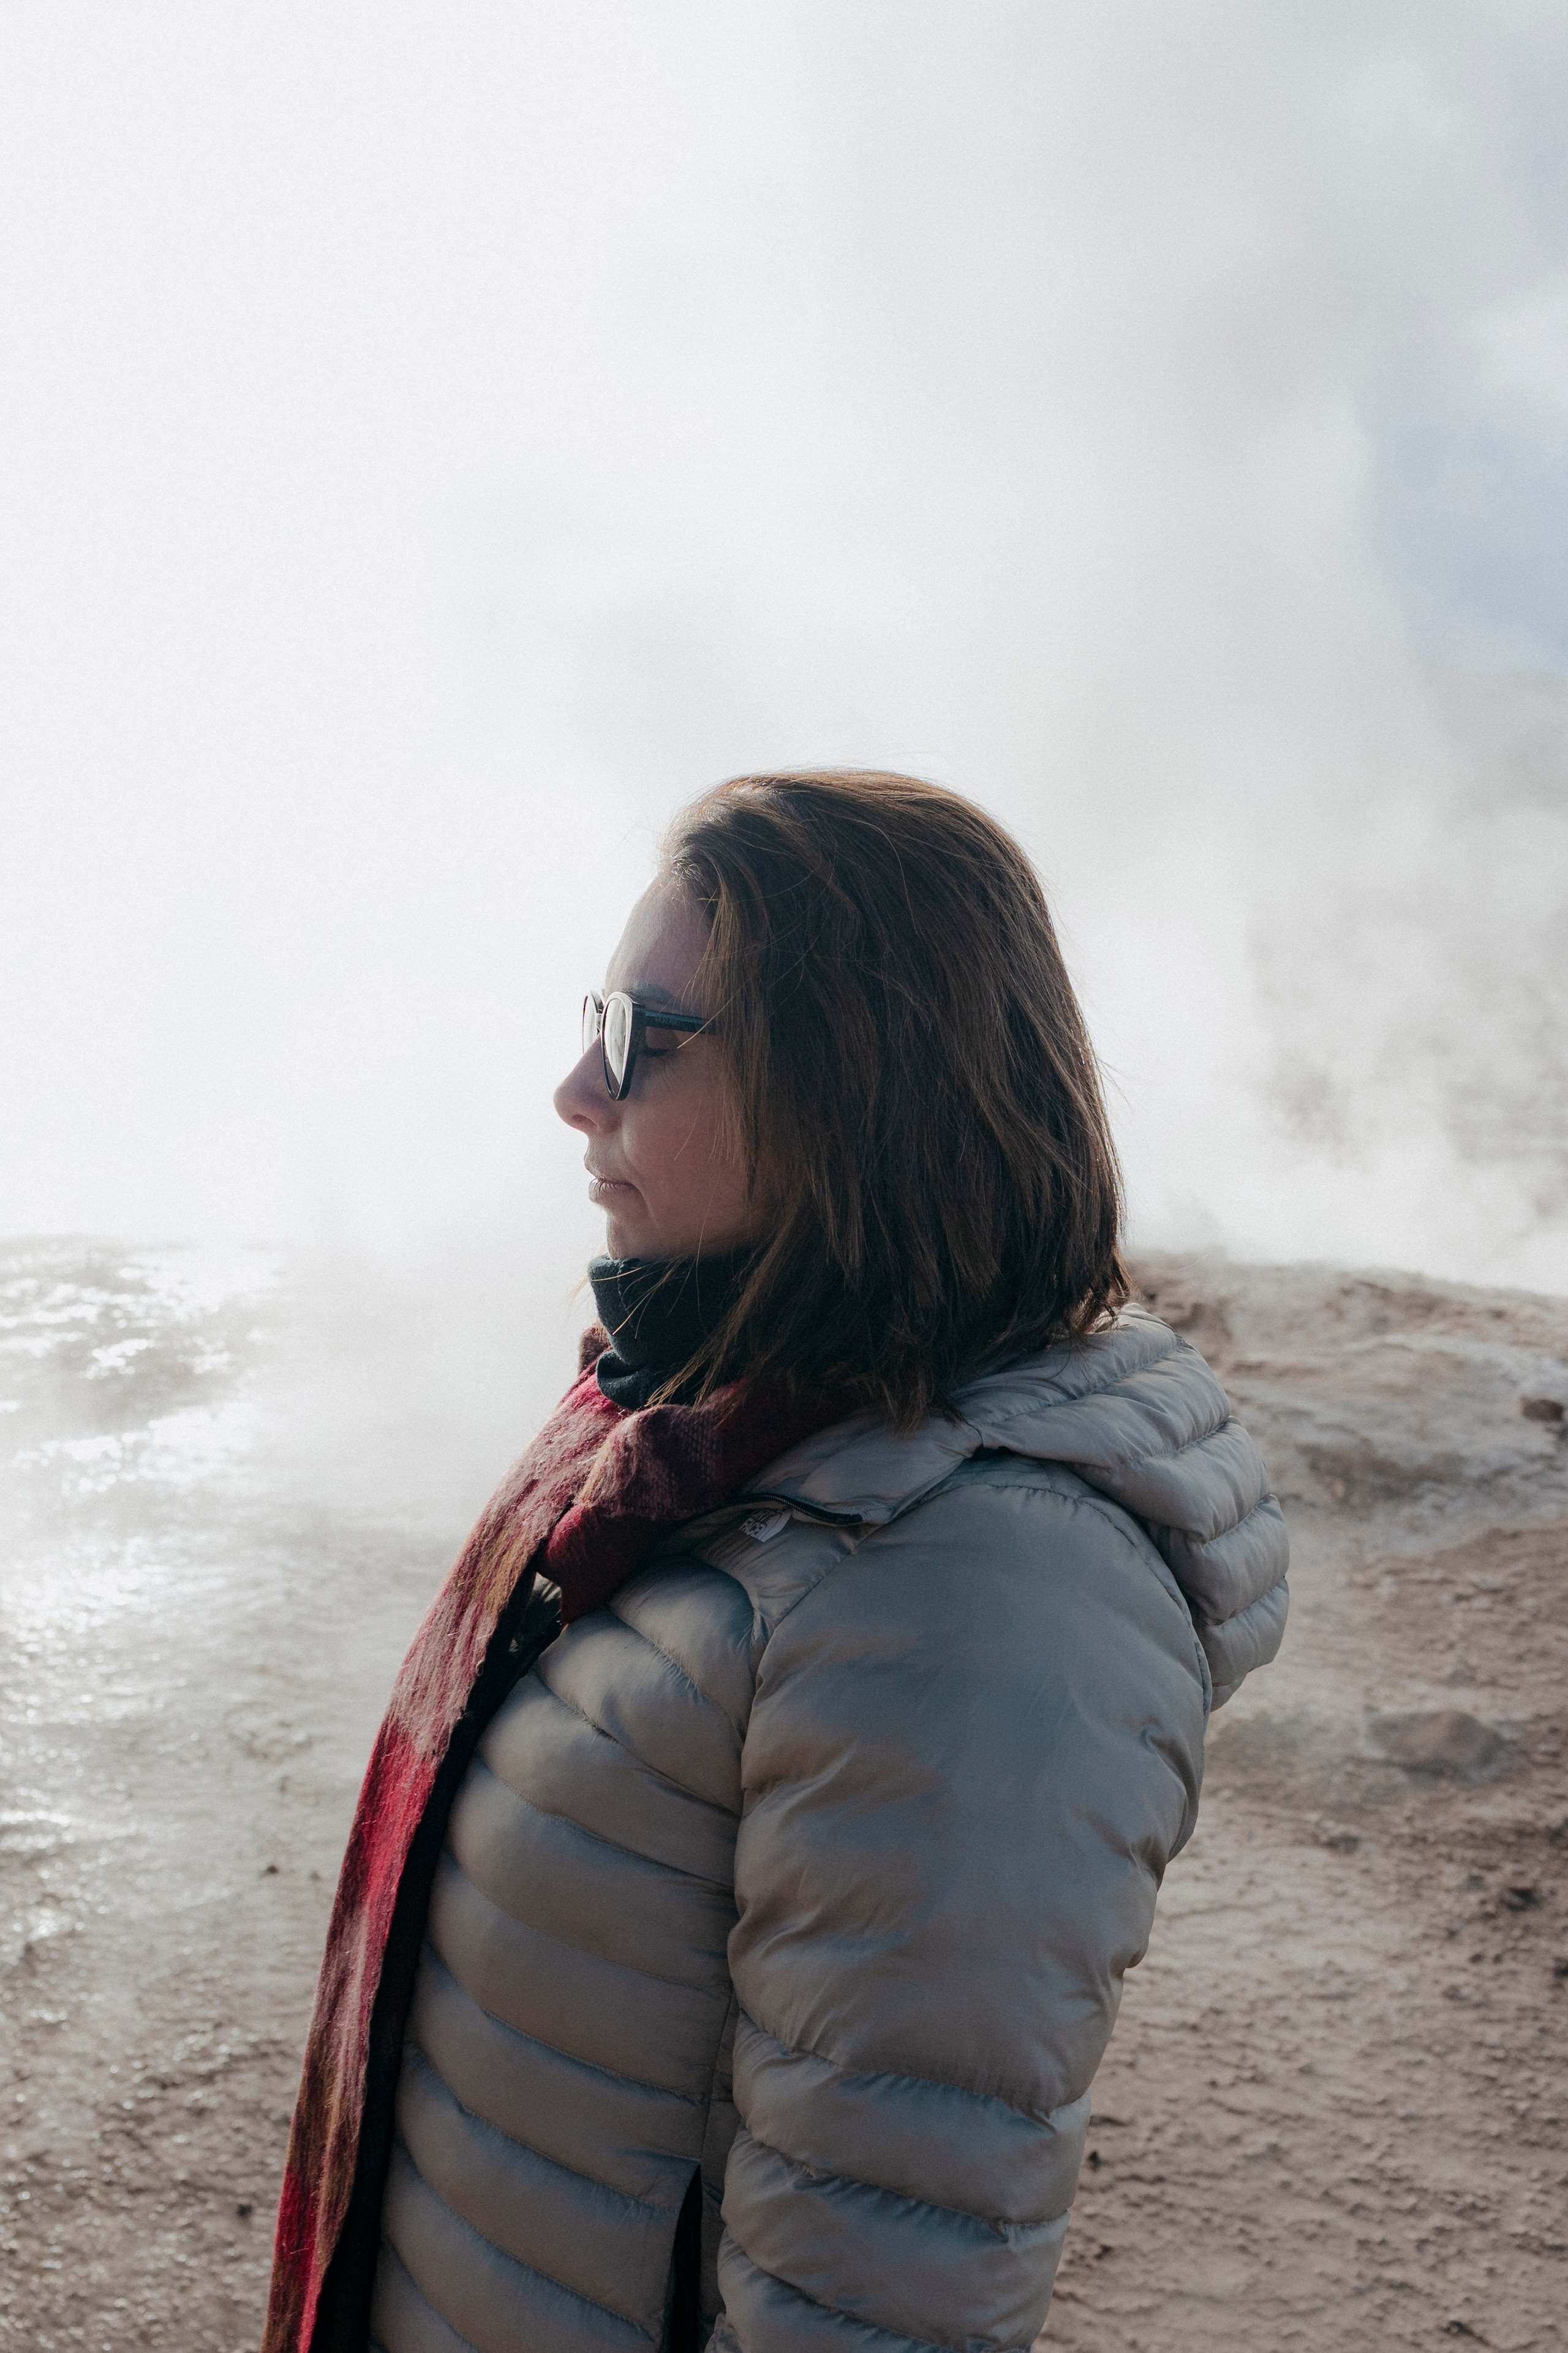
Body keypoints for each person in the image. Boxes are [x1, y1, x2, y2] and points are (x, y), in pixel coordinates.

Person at [264, 769, 1288, 2353]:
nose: (573, 1092)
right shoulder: (739, 1444)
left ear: (849, 1077)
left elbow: (881, 2296)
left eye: (633, 1034)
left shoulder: (981, 1592)